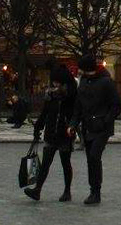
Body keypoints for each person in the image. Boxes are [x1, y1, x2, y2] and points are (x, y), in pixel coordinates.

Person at [70, 54, 121, 205]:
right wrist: (73, 124)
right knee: (89, 159)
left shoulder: (106, 82)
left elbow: (116, 105)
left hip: (102, 128)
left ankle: (96, 191)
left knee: (94, 156)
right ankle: (93, 189)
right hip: (87, 126)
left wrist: (106, 120)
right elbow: (78, 105)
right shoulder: (84, 81)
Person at [25, 65, 78, 201]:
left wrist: (72, 126)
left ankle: (67, 191)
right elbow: (45, 113)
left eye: (57, 82)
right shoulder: (51, 95)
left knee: (65, 163)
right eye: (54, 81)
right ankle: (37, 190)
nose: (54, 84)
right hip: (51, 132)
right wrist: (38, 128)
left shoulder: (72, 96)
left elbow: (76, 114)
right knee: (46, 163)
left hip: (65, 134)